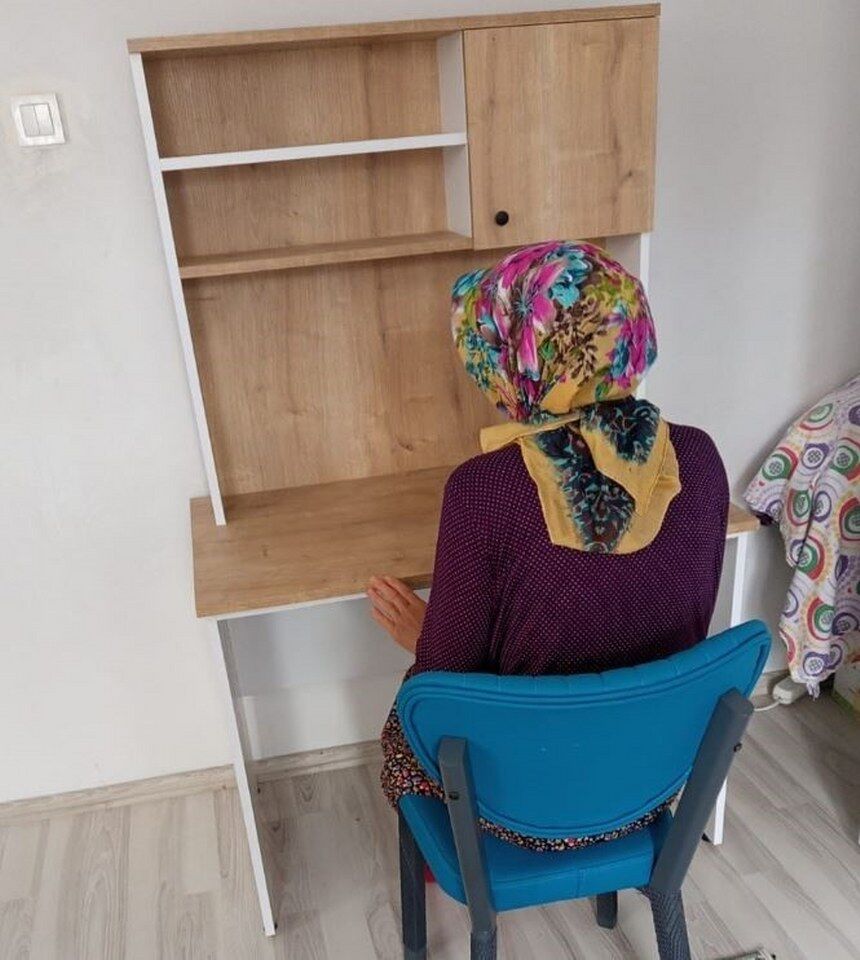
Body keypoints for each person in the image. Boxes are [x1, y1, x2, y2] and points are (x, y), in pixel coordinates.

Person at [367, 241, 729, 851]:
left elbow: (448, 677)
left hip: (522, 808)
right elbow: (676, 623)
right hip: (647, 785)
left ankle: (459, 860)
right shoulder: (697, 456)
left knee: (413, 707)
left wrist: (419, 636)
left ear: (518, 356)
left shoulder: (486, 489)